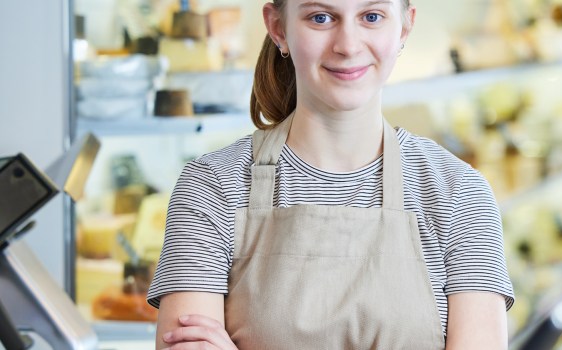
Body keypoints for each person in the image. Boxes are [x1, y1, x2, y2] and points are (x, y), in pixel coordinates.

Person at [147, 0, 515, 348]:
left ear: (404, 27)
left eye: (371, 16)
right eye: (321, 17)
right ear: (278, 28)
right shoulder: (212, 185)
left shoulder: (459, 194)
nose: (348, 45)